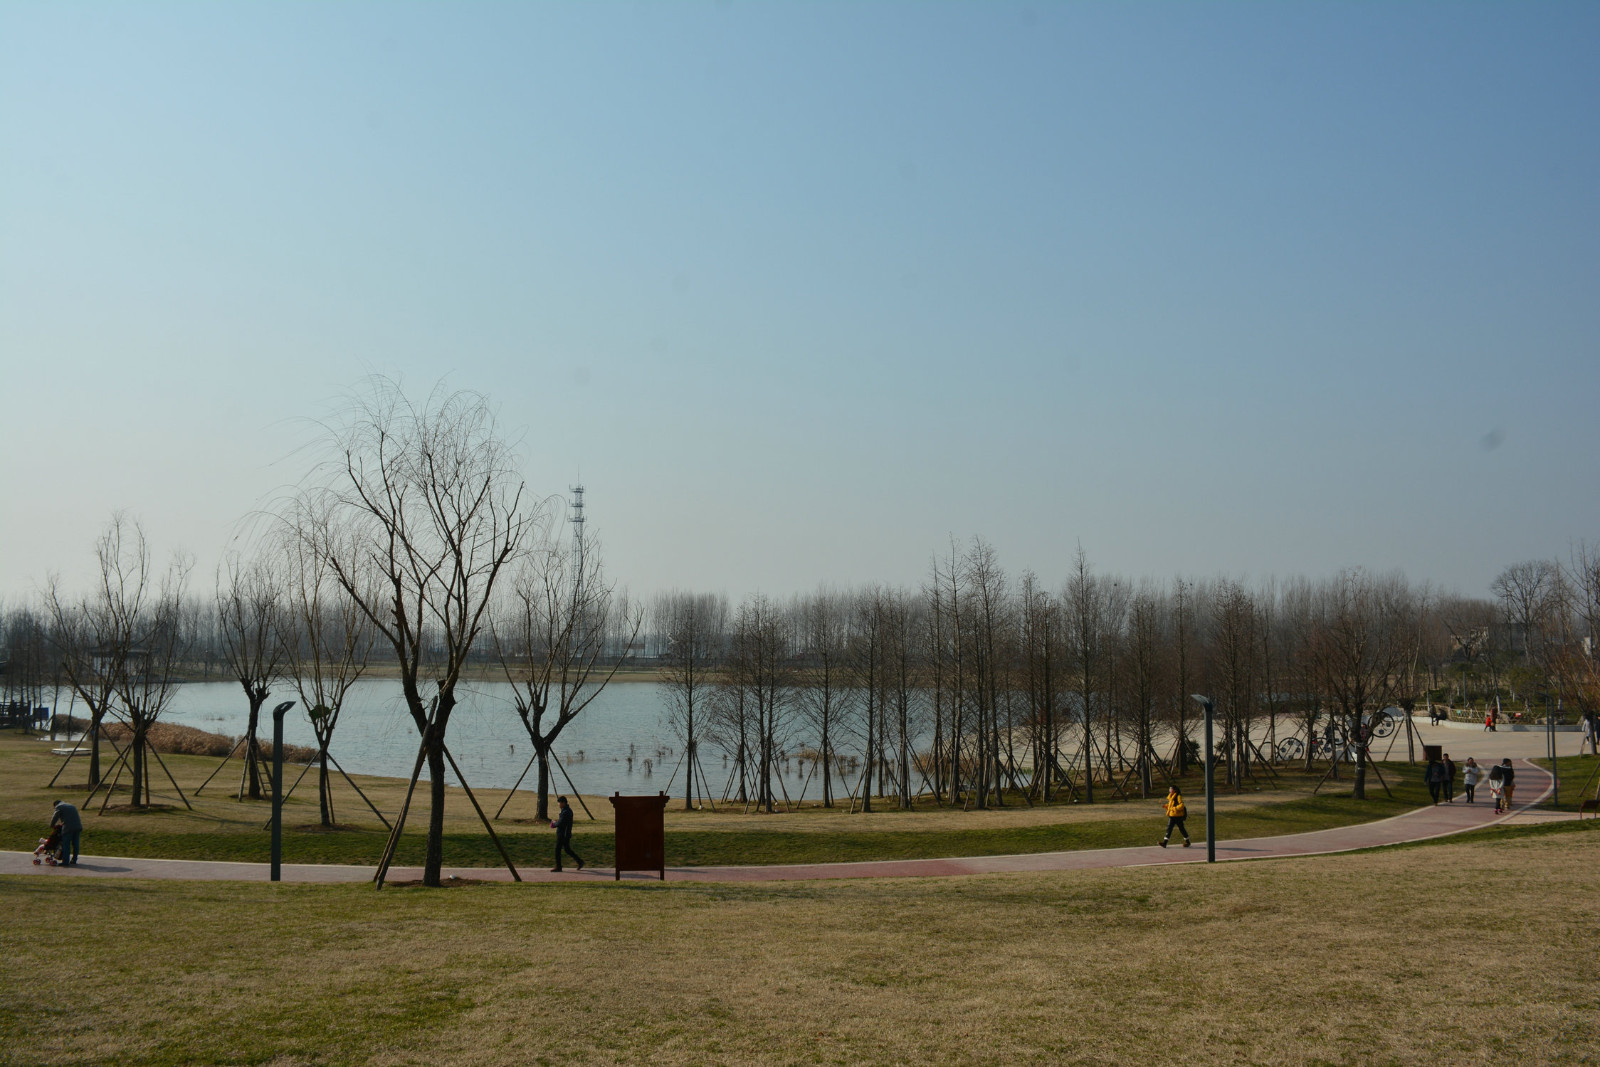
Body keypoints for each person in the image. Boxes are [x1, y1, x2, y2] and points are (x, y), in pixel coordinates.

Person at [550, 795, 584, 872]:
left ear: (563, 803)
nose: (558, 804)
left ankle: (558, 867)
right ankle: (580, 861)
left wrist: (554, 824)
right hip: (565, 834)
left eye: (559, 803)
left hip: (563, 834)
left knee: (557, 850)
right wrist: (556, 822)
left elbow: (561, 823)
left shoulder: (566, 812)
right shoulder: (566, 810)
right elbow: (561, 821)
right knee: (567, 849)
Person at [50, 800, 81, 867]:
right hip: (78, 826)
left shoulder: (59, 807)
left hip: (68, 828)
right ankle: (74, 860)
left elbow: (55, 817)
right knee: (75, 844)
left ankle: (65, 861)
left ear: (55, 804)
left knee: (66, 844)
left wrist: (52, 825)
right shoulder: (71, 806)